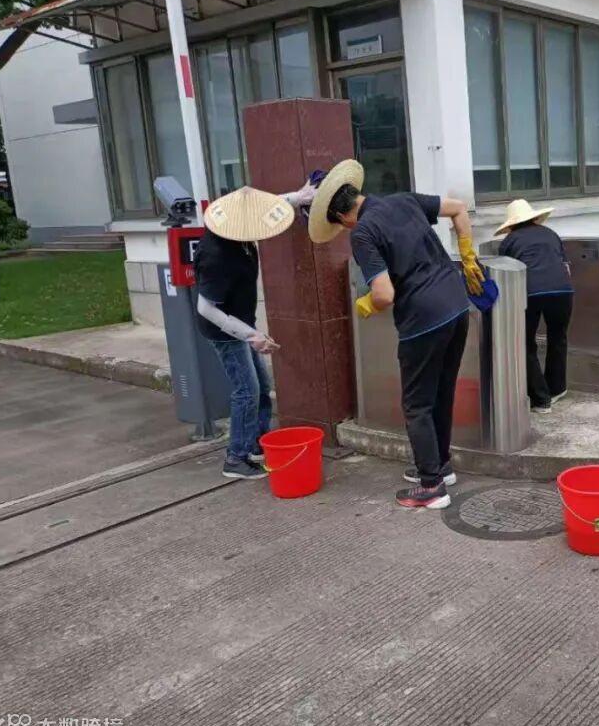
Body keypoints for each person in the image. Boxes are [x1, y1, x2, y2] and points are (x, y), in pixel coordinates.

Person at [306, 159, 484, 509]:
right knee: (441, 393)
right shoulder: (404, 200)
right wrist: (467, 256)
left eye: (339, 226)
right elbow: (459, 209)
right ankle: (440, 465)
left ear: (341, 216)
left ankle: (431, 486)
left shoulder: (362, 233)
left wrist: (367, 304)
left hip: (423, 319)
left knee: (417, 405)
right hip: (457, 305)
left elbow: (385, 294)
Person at [194, 183, 314, 480]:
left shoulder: (236, 227)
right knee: (246, 391)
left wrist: (297, 198)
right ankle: (236, 458)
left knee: (261, 386)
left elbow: (265, 208)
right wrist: (251, 336)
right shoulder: (216, 255)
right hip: (225, 332)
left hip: (242, 322)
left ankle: (257, 443)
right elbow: (206, 308)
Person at [496, 199, 574, 414]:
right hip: (563, 290)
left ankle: (541, 400)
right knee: (558, 337)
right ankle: (557, 389)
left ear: (511, 224)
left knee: (525, 342)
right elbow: (566, 266)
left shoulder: (509, 241)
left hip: (531, 292)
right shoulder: (550, 233)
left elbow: (506, 271)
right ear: (534, 218)